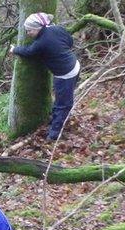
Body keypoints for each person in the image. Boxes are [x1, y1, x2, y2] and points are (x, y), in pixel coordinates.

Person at [9, 12, 81, 140]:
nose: (28, 33)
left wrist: (15, 49)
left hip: (66, 74)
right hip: (74, 65)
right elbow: (69, 41)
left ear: (37, 28)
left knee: (63, 104)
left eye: (29, 30)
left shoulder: (41, 43)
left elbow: (29, 51)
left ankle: (54, 134)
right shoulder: (56, 29)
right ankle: (57, 119)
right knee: (62, 99)